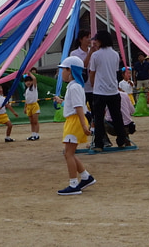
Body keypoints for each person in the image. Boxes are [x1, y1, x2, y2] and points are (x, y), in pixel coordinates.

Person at [54, 56, 95, 195]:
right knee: (69, 153)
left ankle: (73, 184)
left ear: (70, 70)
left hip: (75, 121)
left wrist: (84, 125)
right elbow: (74, 105)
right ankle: (85, 177)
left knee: (69, 153)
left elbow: (78, 107)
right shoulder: (74, 86)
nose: (62, 73)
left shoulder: (75, 87)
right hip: (73, 120)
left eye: (64, 70)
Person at [89, 30, 130, 150]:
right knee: (117, 117)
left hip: (99, 91)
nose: (95, 42)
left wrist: (92, 84)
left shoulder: (95, 55)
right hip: (113, 90)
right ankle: (121, 140)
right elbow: (115, 71)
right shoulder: (115, 54)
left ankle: (99, 144)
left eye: (96, 40)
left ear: (101, 41)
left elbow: (92, 73)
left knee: (98, 118)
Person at [23, 72, 41, 141]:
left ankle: (36, 135)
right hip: (29, 106)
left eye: (29, 81)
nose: (28, 83)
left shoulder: (33, 87)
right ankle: (33, 134)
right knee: (31, 122)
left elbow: (34, 78)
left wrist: (29, 72)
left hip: (34, 105)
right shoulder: (26, 90)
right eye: (26, 81)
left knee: (35, 121)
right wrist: (25, 108)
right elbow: (26, 100)